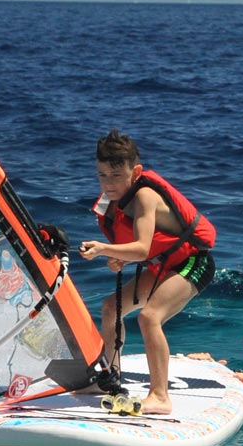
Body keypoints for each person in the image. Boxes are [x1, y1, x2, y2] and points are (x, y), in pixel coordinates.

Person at [78, 130, 216, 415]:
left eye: (116, 176)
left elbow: (141, 248)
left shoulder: (144, 196)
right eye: (102, 175)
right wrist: (118, 257)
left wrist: (105, 249)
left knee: (149, 316)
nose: (109, 183)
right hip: (162, 265)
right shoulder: (111, 201)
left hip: (193, 263)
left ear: (135, 171)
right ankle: (110, 377)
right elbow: (135, 248)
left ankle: (160, 396)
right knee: (109, 308)